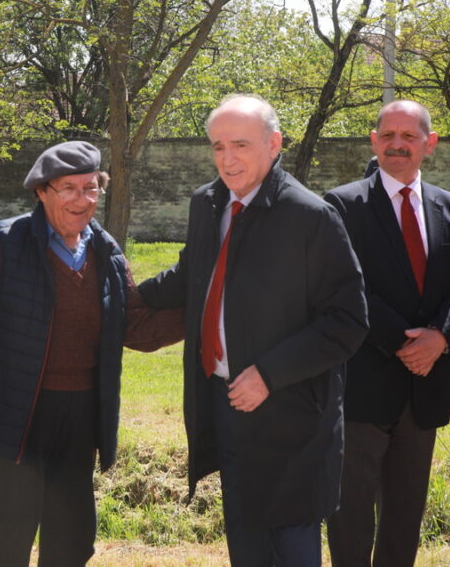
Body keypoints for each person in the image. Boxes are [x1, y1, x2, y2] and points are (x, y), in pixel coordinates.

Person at [138, 95, 369, 566]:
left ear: (274, 143)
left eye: (240, 145)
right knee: (245, 541)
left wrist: (268, 373)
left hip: (294, 414)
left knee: (290, 543)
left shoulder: (311, 216)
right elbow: (190, 275)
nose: (227, 159)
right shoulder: (208, 203)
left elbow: (347, 322)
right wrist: (119, 297)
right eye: (218, 146)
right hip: (225, 404)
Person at [0, 140, 184, 567]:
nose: (81, 200)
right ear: (42, 192)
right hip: (12, 421)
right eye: (68, 187)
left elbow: (136, 329)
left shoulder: (105, 251)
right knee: (5, 550)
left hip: (78, 421)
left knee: (71, 545)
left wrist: (204, 307)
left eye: (91, 188)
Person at [324, 100, 450, 567]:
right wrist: (404, 342)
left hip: (424, 390)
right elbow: (342, 288)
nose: (397, 144)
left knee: (405, 515)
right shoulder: (343, 204)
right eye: (388, 135)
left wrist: (439, 339)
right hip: (362, 386)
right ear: (374, 141)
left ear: (429, 144)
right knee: (350, 516)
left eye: (409, 136)